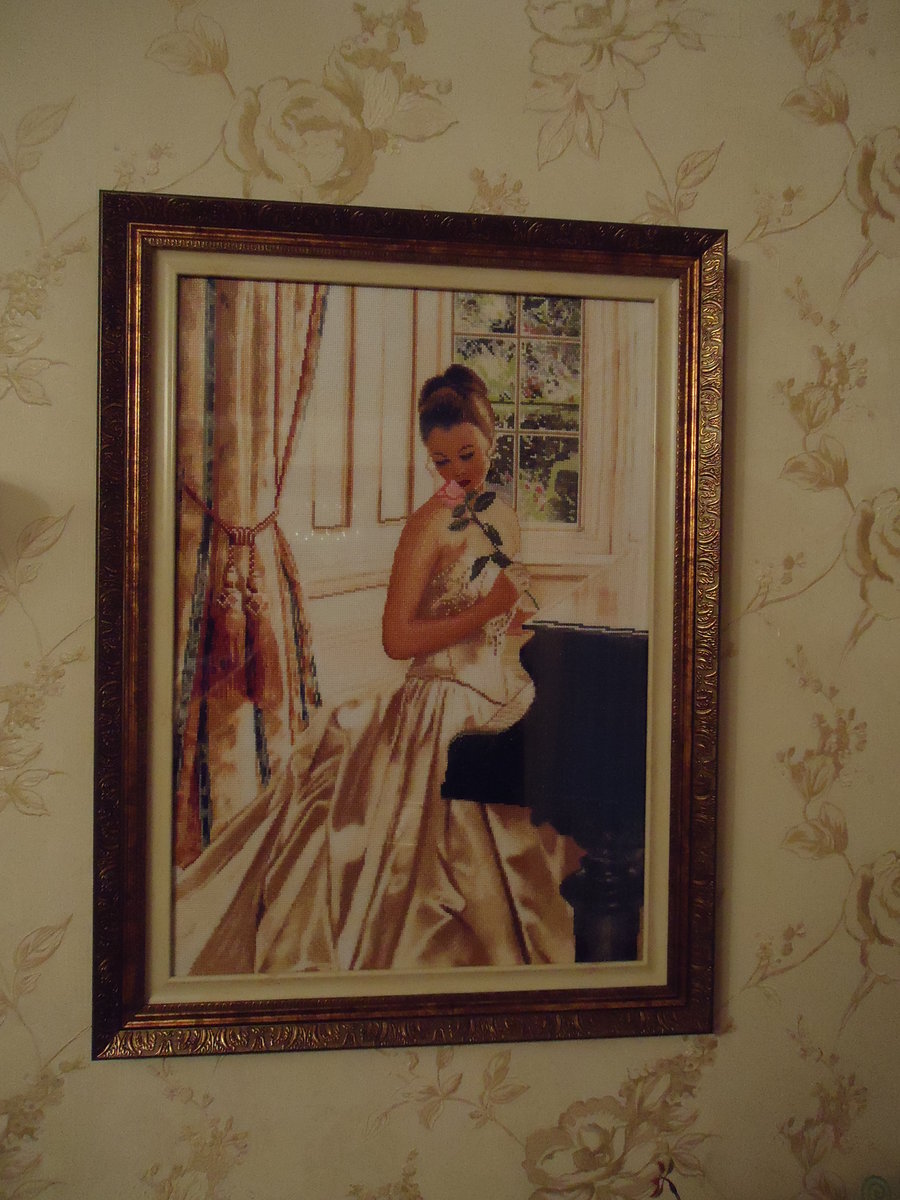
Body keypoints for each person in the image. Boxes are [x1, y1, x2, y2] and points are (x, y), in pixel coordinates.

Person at [174, 364, 577, 975]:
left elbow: (503, 617)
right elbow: (397, 639)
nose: (456, 472)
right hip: (438, 704)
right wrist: (487, 610)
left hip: (499, 693)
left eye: (467, 455)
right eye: (440, 462)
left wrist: (513, 617)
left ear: (491, 436)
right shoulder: (425, 526)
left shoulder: (501, 513)